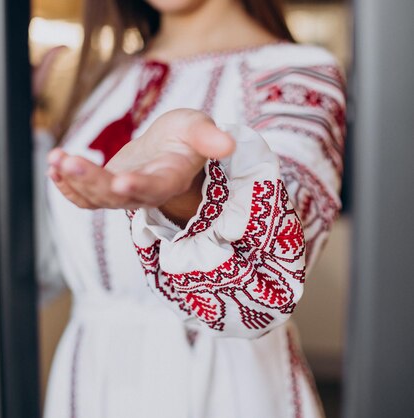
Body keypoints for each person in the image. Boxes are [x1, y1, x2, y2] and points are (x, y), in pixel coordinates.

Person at [36, 0, 346, 417]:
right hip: (90, 381)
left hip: (222, 389)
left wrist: (187, 196)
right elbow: (43, 261)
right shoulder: (105, 78)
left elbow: (276, 269)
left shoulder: (296, 73)